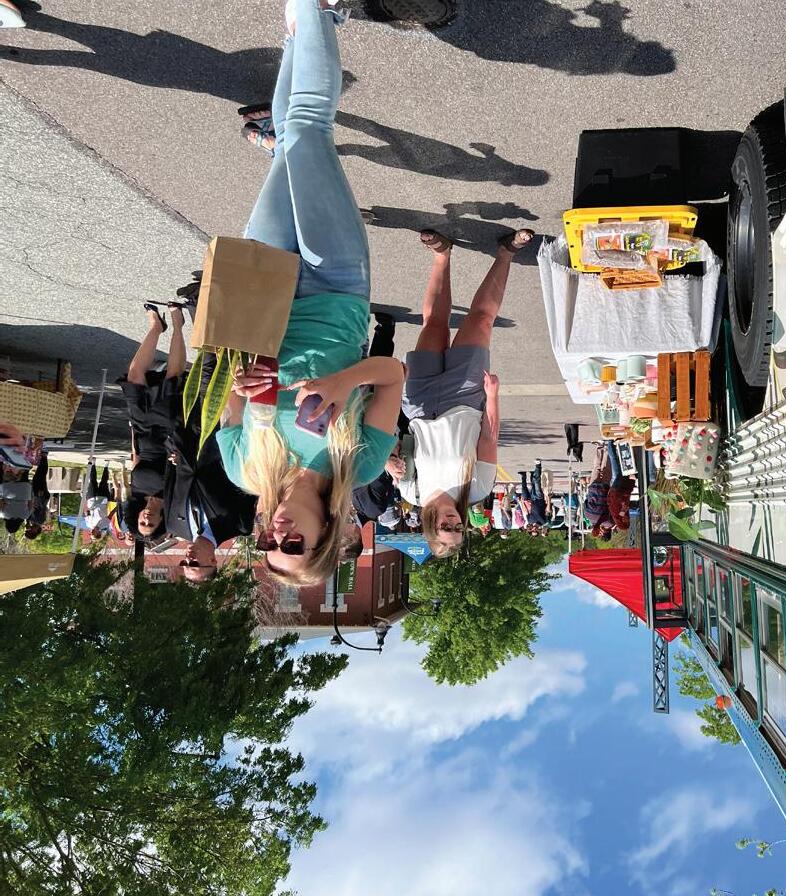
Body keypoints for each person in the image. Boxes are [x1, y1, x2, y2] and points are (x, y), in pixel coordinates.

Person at [217, 0, 403, 587]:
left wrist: (243, 381)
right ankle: (312, 10)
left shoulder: (245, 470)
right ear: (328, 535)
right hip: (337, 288)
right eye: (294, 546)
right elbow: (393, 375)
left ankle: (305, 30)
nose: (278, 533)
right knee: (303, 130)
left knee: (286, 147)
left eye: (268, 544)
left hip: (263, 298)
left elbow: (229, 387)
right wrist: (344, 382)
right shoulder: (360, 464)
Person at [399, 226, 534, 557]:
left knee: (434, 324)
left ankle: (442, 255)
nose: (453, 524)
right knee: (482, 320)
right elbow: (489, 437)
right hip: (466, 397)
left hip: (419, 402)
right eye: (459, 529)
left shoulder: (412, 492)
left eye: (445, 529)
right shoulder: (477, 489)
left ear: (431, 527)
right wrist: (492, 396)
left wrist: (390, 463)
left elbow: (399, 446)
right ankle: (506, 253)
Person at [165, 385, 258, 584]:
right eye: (195, 564)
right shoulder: (239, 525)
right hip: (219, 435)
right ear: (213, 561)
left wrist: (172, 458)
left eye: (184, 563)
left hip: (185, 437)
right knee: (216, 382)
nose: (188, 559)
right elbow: (249, 480)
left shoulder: (174, 524)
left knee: (191, 384)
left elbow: (170, 486)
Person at [119, 304, 187, 541]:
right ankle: (177, 324)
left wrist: (132, 430)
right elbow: (186, 469)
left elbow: (135, 457)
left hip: (141, 427)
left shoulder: (137, 493)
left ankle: (156, 327)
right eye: (151, 524)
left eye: (142, 522)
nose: (146, 519)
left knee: (134, 375)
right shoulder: (171, 495)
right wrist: (178, 459)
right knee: (173, 376)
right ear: (161, 521)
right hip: (168, 432)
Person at [24, 452, 50, 540]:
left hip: (35, 496)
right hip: (41, 497)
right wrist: (39, 497)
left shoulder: (32, 521)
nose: (28, 529)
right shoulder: (40, 521)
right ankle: (44, 458)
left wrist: (27, 522)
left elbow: (28, 512)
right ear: (34, 532)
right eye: (29, 531)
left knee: (37, 477)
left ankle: (42, 459)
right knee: (41, 476)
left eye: (26, 530)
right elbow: (42, 507)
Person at [518, 459, 547, 526]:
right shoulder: (543, 522)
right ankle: (538, 465)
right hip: (539, 498)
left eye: (532, 530)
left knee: (533, 483)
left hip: (532, 500)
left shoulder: (530, 521)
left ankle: (533, 473)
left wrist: (522, 503)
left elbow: (526, 512)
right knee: (536, 482)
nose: (534, 529)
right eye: (535, 530)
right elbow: (546, 511)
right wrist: (547, 499)